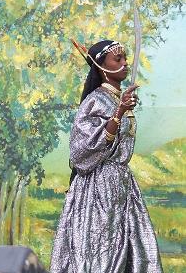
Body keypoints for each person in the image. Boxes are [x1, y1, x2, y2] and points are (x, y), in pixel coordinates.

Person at [50, 40, 163, 272]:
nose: (124, 63)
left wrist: (122, 108)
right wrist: (119, 112)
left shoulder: (118, 99)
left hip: (122, 184)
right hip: (97, 187)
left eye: (124, 58)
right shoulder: (95, 101)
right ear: (102, 67)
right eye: (117, 59)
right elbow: (82, 151)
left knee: (131, 248)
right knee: (101, 249)